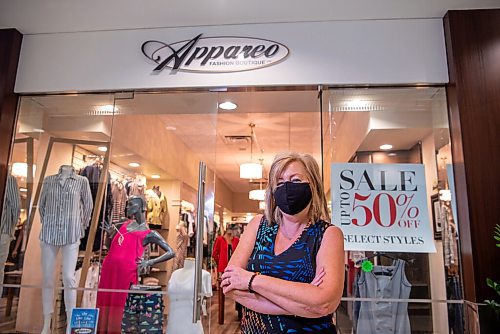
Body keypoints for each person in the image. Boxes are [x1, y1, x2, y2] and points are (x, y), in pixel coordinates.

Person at [221, 152, 344, 333]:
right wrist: (304, 305)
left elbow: (324, 303)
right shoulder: (258, 225)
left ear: (313, 185)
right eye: (279, 183)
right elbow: (229, 285)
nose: (286, 187)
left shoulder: (328, 234)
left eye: (295, 180)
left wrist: (252, 280)